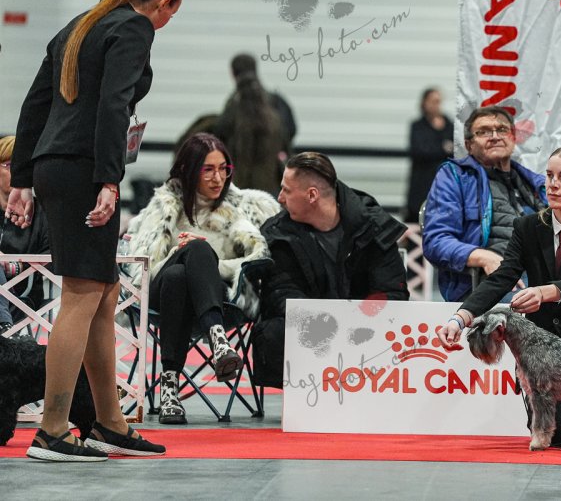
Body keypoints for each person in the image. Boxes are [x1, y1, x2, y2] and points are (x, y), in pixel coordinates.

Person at [6, 0, 182, 461]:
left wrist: (22, 177)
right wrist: (109, 178)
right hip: (85, 170)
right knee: (82, 295)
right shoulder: (134, 27)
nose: (166, 22)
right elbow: (114, 105)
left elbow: (34, 104)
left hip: (55, 165)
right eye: (171, 14)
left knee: (103, 296)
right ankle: (52, 429)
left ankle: (109, 422)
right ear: (164, 3)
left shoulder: (79, 25)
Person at [422, 106, 561, 373]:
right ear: (469, 144)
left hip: (551, 280)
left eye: (501, 129)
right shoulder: (454, 177)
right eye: (484, 132)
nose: (494, 136)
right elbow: (436, 240)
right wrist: (482, 257)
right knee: (531, 295)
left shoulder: (534, 182)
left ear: (514, 137)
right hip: (497, 281)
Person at [439, 146, 561, 450]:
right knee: (556, 432)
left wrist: (544, 292)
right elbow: (502, 277)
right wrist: (460, 318)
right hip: (544, 354)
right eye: (549, 176)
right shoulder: (527, 227)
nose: (552, 184)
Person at [124, 133, 279, 425]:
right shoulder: (163, 207)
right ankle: (218, 341)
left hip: (221, 299)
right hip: (159, 296)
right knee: (187, 257)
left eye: (223, 169)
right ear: (188, 169)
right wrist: (181, 253)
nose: (217, 178)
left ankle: (170, 387)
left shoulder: (242, 209)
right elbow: (144, 268)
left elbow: (257, 260)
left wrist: (212, 265)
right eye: (208, 169)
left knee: (182, 273)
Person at [254, 151, 410, 387]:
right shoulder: (277, 233)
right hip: (310, 331)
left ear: (312, 195)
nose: (280, 198)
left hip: (366, 329)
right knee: (274, 331)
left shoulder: (373, 225)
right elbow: (281, 293)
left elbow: (392, 292)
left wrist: (355, 321)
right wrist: (327, 324)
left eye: (286, 190)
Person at [0, 136, 50, 334]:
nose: (17, 172)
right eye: (10, 165)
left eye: (22, 166)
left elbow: (52, 256)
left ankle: (3, 325)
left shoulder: (41, 211)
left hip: (23, 293)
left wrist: (16, 266)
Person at [214, 68, 287, 194]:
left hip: (239, 182)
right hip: (269, 182)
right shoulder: (274, 120)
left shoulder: (234, 118)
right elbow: (285, 145)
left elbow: (219, 132)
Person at [404, 87, 454, 222]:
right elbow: (420, 151)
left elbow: (455, 150)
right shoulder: (418, 126)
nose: (435, 105)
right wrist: (443, 148)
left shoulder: (449, 125)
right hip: (422, 182)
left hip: (443, 183)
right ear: (424, 103)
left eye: (438, 101)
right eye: (432, 101)